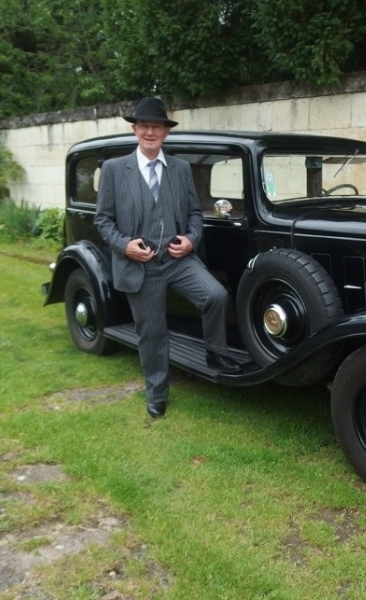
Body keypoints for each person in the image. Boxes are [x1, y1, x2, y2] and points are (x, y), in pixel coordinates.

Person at [94, 96, 241, 419]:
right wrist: (124, 246)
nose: (150, 132)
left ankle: (215, 354)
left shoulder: (180, 168)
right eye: (144, 126)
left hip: (177, 259)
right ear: (135, 130)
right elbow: (103, 221)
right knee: (153, 331)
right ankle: (157, 393)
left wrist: (190, 240)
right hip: (140, 263)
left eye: (156, 127)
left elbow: (194, 213)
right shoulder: (116, 170)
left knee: (215, 295)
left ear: (165, 132)